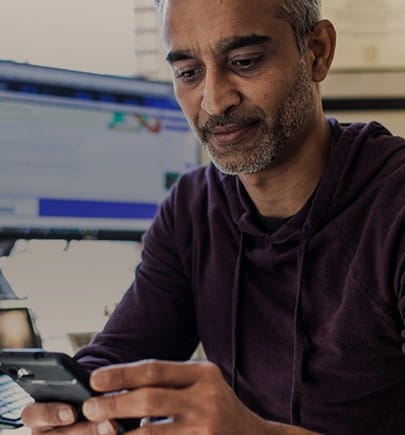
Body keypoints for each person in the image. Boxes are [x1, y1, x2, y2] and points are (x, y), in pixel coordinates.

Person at [22, 0, 405, 433]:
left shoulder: (394, 205)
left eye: (244, 62)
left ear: (316, 52)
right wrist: (73, 408)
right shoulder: (192, 208)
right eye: (188, 72)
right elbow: (117, 360)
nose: (214, 100)